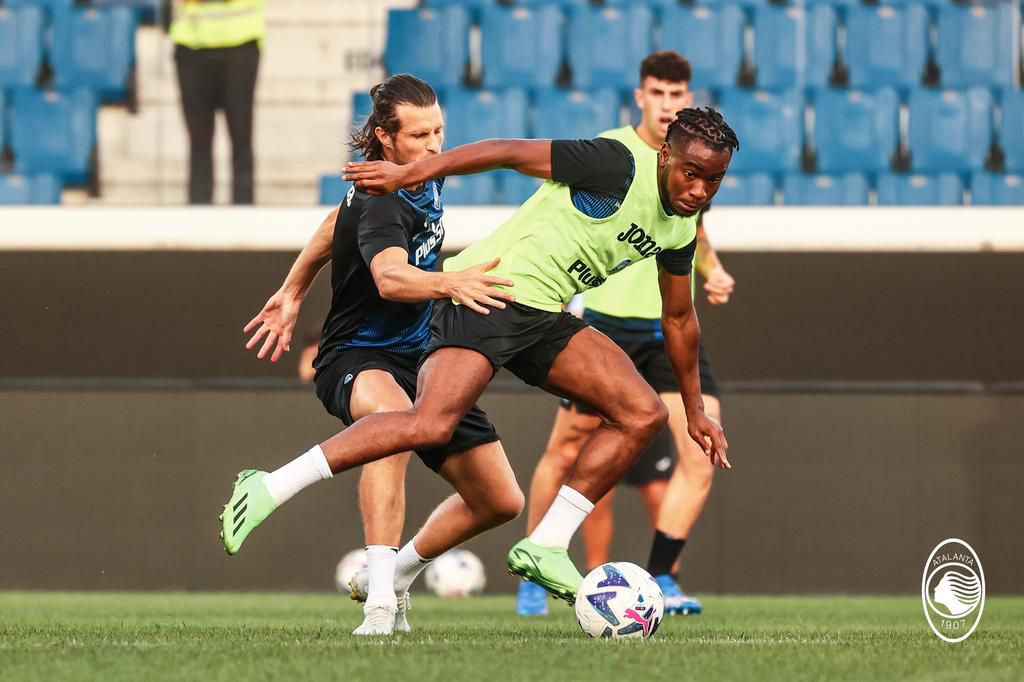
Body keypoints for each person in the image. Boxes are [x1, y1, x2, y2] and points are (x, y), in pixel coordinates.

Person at [222, 105, 736, 609]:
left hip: (545, 316)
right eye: (690, 173)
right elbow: (505, 151)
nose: (699, 190)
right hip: (486, 293)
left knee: (643, 413)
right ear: (665, 155)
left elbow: (679, 318)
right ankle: (272, 484)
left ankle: (546, 544)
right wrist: (409, 174)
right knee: (429, 424)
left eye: (712, 180)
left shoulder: (682, 225)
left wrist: (694, 411)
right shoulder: (615, 163)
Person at [231, 74, 522, 636]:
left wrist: (292, 290)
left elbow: (331, 224)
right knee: (393, 424)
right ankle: (381, 607)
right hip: (356, 355)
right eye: (419, 135)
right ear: (386, 139)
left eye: (438, 131)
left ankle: (398, 575)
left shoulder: (418, 173)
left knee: (499, 500)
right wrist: (452, 282)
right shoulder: (382, 200)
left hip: (421, 357)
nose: (434, 146)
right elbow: (390, 279)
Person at [517, 51, 737, 617]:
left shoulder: (697, 164)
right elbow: (561, 217)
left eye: (676, 95)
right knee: (565, 449)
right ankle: (534, 573)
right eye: (657, 93)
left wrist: (713, 271)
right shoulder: (612, 152)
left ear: (688, 101)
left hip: (666, 329)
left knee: (701, 451)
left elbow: (691, 232)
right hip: (606, 321)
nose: (667, 103)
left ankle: (663, 574)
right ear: (640, 97)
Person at [170, 0, 264, 204]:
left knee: (241, 137)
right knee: (199, 142)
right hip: (191, 43)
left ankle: (244, 212)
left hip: (241, 42)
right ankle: (198, 211)